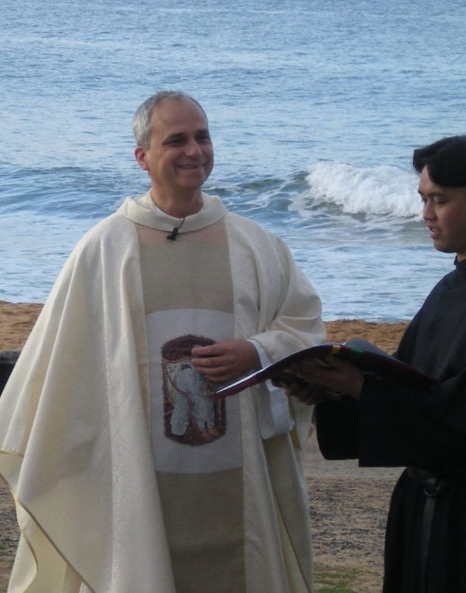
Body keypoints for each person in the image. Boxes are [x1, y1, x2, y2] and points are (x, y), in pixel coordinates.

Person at [0, 91, 326, 593]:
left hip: (238, 477)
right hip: (138, 476)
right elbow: (62, 364)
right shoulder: (105, 249)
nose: (194, 151)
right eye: (176, 140)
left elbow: (304, 327)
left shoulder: (256, 246)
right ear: (142, 156)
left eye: (203, 137)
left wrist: (256, 352)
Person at [287, 135, 466, 593]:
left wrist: (360, 388)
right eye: (422, 199)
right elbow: (408, 385)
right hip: (424, 507)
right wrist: (334, 393)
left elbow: (453, 420)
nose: (426, 214)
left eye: (440, 200)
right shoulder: (448, 290)